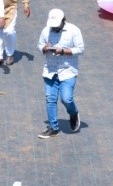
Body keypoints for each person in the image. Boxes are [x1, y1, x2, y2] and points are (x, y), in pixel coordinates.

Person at [37, 9, 84, 138]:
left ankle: (73, 113)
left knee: (66, 98)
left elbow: (80, 49)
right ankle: (53, 127)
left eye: (56, 25)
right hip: (50, 70)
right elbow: (39, 45)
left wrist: (63, 51)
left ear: (63, 21)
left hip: (68, 70)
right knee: (50, 99)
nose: (54, 28)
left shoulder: (74, 30)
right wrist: (44, 48)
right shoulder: (46, 30)